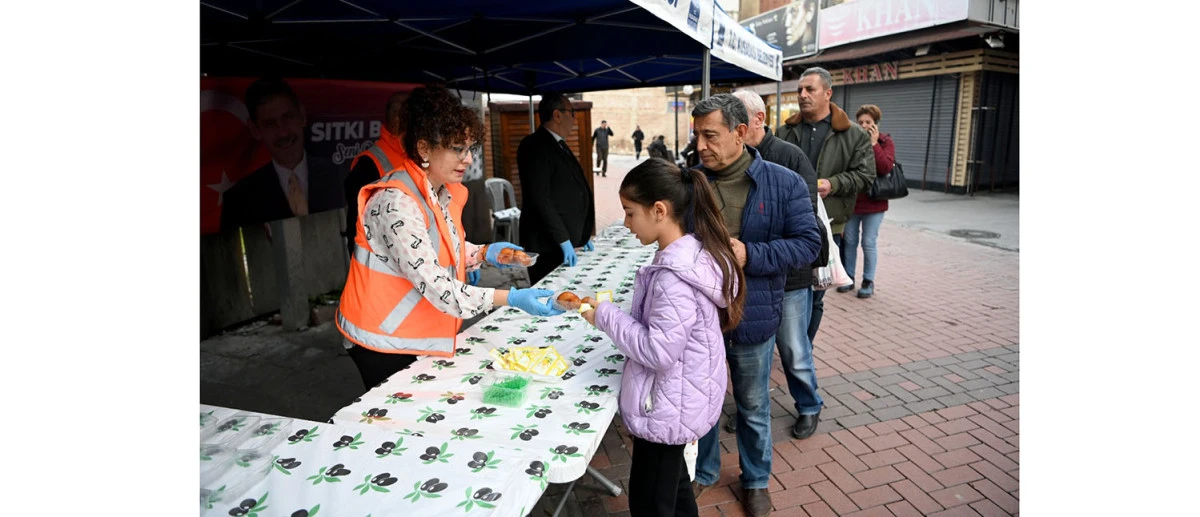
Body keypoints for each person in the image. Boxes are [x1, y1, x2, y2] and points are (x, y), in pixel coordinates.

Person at [336, 85, 564, 392]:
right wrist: (509, 298)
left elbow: (436, 246)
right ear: (424, 149)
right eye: (457, 148)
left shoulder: (438, 191)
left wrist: (484, 253)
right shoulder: (396, 202)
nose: (468, 159)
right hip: (380, 340)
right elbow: (438, 286)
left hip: (409, 332)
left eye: (470, 148)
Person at [580, 158, 746, 517]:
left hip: (666, 407)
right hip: (679, 398)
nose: (625, 224)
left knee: (651, 503)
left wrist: (605, 316)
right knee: (675, 490)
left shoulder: (674, 275)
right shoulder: (690, 253)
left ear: (658, 210)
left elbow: (658, 351)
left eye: (629, 213)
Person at [688, 94, 822, 517]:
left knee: (752, 404)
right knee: (703, 399)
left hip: (753, 313)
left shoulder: (783, 182)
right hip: (700, 316)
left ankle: (756, 478)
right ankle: (704, 471)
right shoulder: (689, 182)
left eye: (710, 136)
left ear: (740, 132)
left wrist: (752, 255)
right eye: (697, 136)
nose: (701, 146)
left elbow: (809, 244)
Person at [728, 89, 824, 439]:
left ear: (758, 119)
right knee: (750, 354)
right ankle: (750, 407)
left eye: (737, 116)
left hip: (788, 278)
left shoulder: (790, 158)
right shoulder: (725, 162)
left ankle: (809, 405)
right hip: (743, 280)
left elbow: (805, 229)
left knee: (794, 349)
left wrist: (752, 251)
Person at [776, 66, 875, 345]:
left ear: (828, 93)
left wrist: (833, 183)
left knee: (817, 289)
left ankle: (803, 346)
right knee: (785, 286)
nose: (803, 95)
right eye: (799, 90)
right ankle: (787, 343)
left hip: (828, 223)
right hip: (785, 221)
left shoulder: (853, 134)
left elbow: (866, 175)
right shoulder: (785, 131)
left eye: (810, 89)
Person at [221, 77, 345, 231]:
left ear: (302, 116)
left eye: (288, 117)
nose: (283, 132)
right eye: (270, 124)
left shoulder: (344, 176)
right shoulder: (238, 200)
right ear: (255, 130)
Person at [517, 94, 596, 286]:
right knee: (550, 296)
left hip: (560, 243)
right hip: (547, 244)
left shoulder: (558, 144)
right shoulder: (534, 145)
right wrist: (563, 240)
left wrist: (582, 233)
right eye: (572, 113)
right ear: (557, 115)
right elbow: (540, 197)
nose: (574, 119)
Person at [343, 91, 408, 259]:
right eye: (396, 111)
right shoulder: (370, 163)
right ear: (390, 116)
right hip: (386, 265)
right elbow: (357, 227)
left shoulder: (420, 155)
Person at [839, 104, 895, 299]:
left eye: (868, 122)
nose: (863, 125)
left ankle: (868, 281)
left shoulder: (885, 142)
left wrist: (874, 144)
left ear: (876, 124)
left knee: (868, 242)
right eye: (861, 122)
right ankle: (848, 277)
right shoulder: (852, 140)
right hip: (854, 201)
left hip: (875, 203)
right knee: (850, 241)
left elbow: (885, 167)